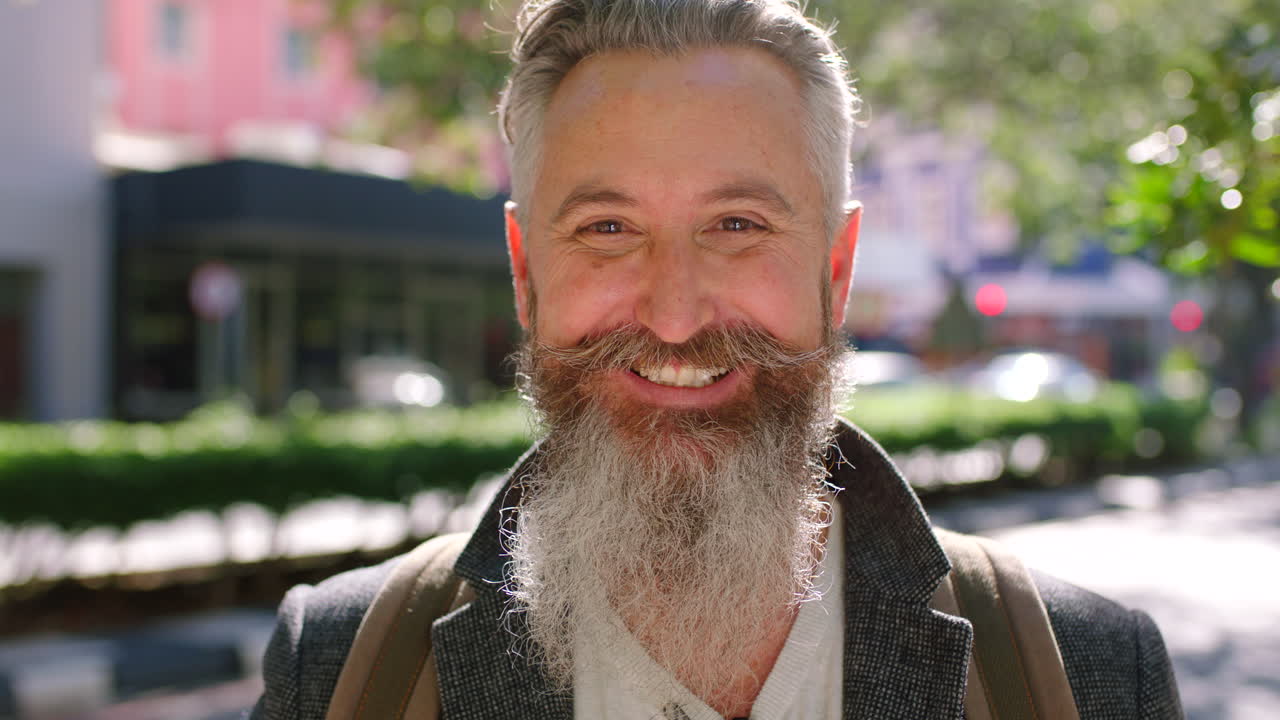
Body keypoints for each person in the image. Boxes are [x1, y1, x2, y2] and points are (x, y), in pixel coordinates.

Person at [251, 0, 1184, 717]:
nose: (672, 314)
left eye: (737, 226)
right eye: (607, 228)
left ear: (835, 269)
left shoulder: (1080, 674)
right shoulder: (344, 672)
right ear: (526, 273)